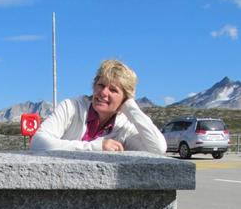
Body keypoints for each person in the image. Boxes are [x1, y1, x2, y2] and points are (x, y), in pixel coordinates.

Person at [31, 59, 166, 155]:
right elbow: (38, 142)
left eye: (113, 90)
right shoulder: (71, 107)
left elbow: (158, 149)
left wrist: (131, 108)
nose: (103, 92)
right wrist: (95, 147)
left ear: (125, 98)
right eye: (101, 85)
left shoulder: (124, 126)